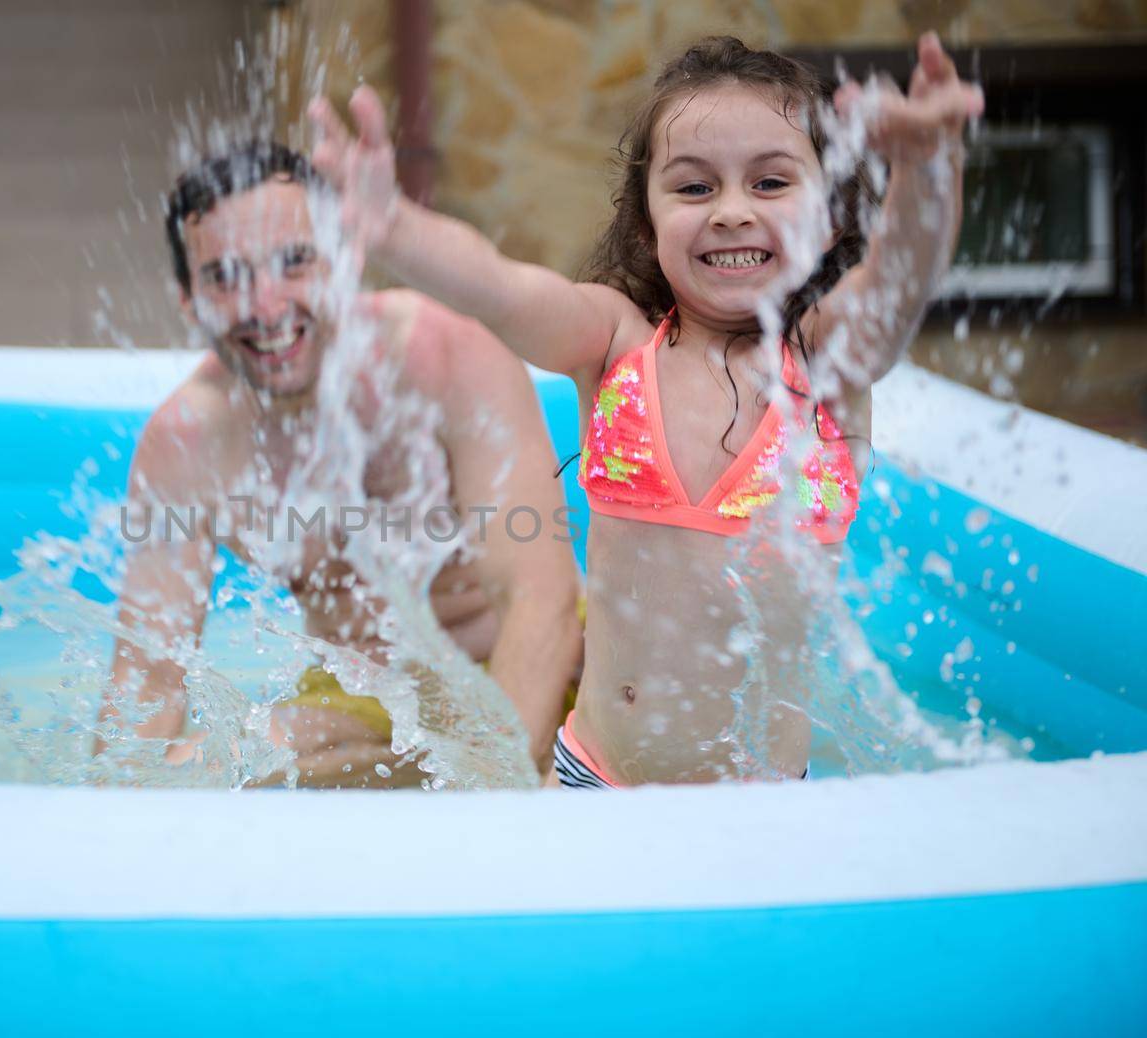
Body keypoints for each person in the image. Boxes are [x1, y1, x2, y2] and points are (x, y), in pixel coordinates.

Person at [309, 33, 983, 786]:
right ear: (647, 226)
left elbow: (901, 281)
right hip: (599, 777)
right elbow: (503, 289)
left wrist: (928, 169)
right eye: (694, 188)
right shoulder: (614, 342)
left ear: (829, 219)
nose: (731, 212)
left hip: (761, 804)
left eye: (770, 183)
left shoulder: (828, 364)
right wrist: (394, 226)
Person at [102, 142, 581, 787]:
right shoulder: (190, 442)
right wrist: (109, 814)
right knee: (198, 777)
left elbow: (536, 599)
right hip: (368, 699)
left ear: (347, 258)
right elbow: (149, 678)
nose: (265, 305)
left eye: (294, 262)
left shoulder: (445, 361)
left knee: (573, 773)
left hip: (547, 670)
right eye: (225, 276)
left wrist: (495, 798)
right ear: (189, 301)